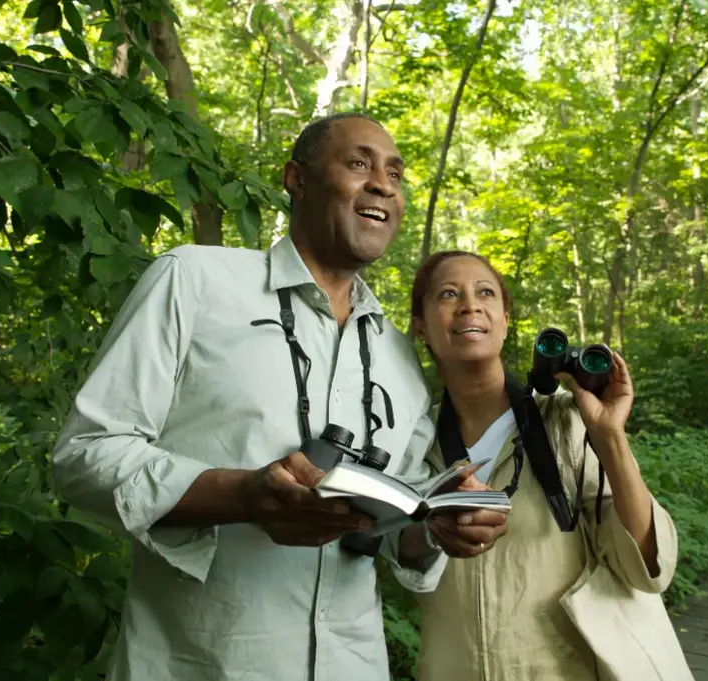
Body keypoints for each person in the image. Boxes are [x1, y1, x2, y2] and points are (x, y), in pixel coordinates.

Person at [51, 114, 508, 681]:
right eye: (359, 164)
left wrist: (441, 526)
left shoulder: (398, 356)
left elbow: (396, 535)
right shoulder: (194, 281)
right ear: (297, 179)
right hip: (203, 664)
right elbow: (85, 454)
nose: (384, 185)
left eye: (395, 173)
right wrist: (242, 495)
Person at [409, 251, 695, 681]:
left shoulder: (564, 420)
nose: (470, 304)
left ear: (504, 320)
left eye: (485, 293)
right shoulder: (414, 440)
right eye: (449, 294)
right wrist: (431, 528)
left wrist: (610, 437)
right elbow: (396, 554)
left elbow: (646, 568)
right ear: (420, 328)